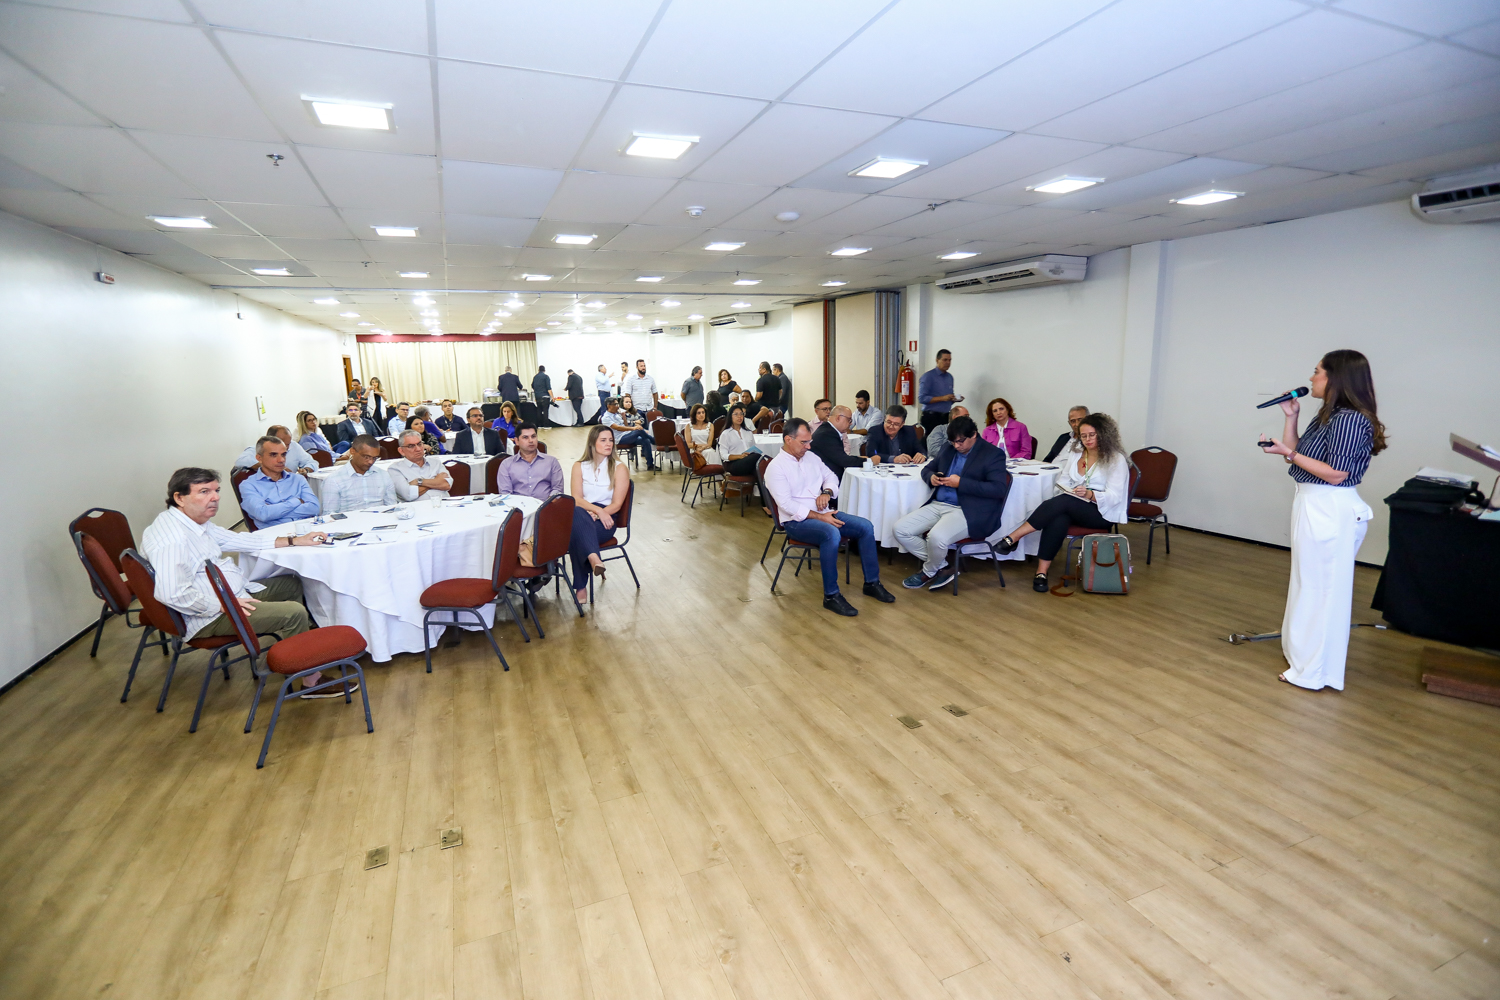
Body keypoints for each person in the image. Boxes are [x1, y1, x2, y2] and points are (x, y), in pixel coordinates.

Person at [141, 468, 337, 693]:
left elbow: (239, 540)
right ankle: (311, 682)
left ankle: (299, 650)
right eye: (204, 491)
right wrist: (223, 605)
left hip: (229, 596)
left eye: (216, 490)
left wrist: (295, 540)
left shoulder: (192, 523)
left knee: (291, 583)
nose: (215, 497)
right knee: (294, 613)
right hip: (206, 615)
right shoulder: (173, 539)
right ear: (179, 498)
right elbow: (172, 593)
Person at [1258, 349, 1383, 692]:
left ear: (1336, 378)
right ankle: (1302, 659)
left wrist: (1288, 453)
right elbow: (1298, 456)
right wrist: (1291, 418)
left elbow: (1336, 473)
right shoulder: (1329, 414)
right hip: (1312, 503)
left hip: (1331, 508)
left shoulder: (1350, 419)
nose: (1311, 378)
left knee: (1322, 591)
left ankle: (1314, 671)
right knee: (1307, 585)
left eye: (1317, 372)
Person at [763, 419, 894, 616]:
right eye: (804, 442)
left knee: (865, 527)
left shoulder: (811, 457)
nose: (808, 446)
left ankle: (872, 583)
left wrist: (826, 492)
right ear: (788, 440)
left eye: (809, 441)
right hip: (796, 521)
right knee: (831, 534)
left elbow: (831, 476)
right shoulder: (776, 467)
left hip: (824, 513)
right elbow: (786, 505)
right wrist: (819, 517)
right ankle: (831, 596)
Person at [995, 413, 1129, 592]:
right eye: (1083, 436)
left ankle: (1013, 537)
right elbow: (1063, 481)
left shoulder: (1115, 459)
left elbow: (1115, 496)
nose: (1087, 440)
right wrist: (1071, 490)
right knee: (1059, 517)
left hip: (1101, 512)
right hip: (1073, 504)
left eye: (1092, 435)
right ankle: (1041, 573)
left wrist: (1090, 494)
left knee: (1063, 503)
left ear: (1103, 434)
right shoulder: (1077, 453)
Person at [895, 416, 1011, 591]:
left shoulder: (992, 454)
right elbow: (928, 468)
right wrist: (931, 477)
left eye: (960, 441)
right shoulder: (947, 448)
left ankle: (928, 572)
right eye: (953, 442)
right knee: (900, 529)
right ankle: (943, 567)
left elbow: (998, 489)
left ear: (974, 434)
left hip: (969, 510)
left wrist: (961, 483)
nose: (956, 446)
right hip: (939, 504)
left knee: (936, 537)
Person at [569, 424, 630, 604]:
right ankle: (594, 557)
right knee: (576, 513)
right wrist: (596, 511)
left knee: (575, 534)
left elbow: (617, 504)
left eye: (610, 440)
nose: (608, 444)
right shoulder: (579, 466)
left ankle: (581, 587)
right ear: (592, 443)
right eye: (603, 440)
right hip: (584, 512)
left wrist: (601, 513)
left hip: (607, 519)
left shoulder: (619, 468)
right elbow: (576, 498)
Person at [239, 435, 320, 528]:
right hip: (275, 534)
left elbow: (314, 508)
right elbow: (263, 514)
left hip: (306, 530)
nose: (281, 460)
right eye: (273, 455)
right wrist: (297, 501)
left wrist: (274, 511)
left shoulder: (298, 479)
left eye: (283, 454)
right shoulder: (249, 485)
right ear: (259, 458)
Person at [321, 436, 398, 512]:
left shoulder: (384, 475)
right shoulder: (334, 480)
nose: (371, 461)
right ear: (352, 451)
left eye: (374, 458)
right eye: (366, 457)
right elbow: (330, 514)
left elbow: (392, 508)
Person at [495, 422, 565, 499]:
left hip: (546, 504)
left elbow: (558, 490)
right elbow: (505, 494)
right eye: (525, 437)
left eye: (533, 436)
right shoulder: (506, 464)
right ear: (517, 441)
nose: (531, 440)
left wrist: (548, 503)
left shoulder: (551, 462)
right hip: (518, 505)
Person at [388, 430, 453, 501]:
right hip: (416, 507)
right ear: (401, 451)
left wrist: (419, 482)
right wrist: (436, 481)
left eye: (419, 444)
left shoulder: (436, 463)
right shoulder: (395, 469)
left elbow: (446, 485)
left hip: (444, 504)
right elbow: (408, 494)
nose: (418, 449)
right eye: (411, 446)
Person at [233, 424, 318, 475]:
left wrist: (306, 470)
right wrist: (271, 467)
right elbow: (240, 461)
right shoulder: (257, 449)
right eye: (283, 443)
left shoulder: (294, 446)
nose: (286, 447)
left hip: (290, 486)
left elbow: (312, 462)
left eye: (288, 443)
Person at [600, 398, 657, 471]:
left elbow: (625, 426)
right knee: (638, 431)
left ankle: (650, 465)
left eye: (617, 404)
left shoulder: (617, 414)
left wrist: (623, 417)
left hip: (626, 435)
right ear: (609, 406)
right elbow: (618, 428)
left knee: (645, 440)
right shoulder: (606, 417)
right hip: (618, 439)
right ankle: (654, 441)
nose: (618, 406)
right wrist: (633, 428)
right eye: (615, 404)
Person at [811, 406, 865, 481]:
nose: (851, 423)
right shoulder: (826, 434)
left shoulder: (828, 429)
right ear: (838, 418)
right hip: (825, 480)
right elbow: (843, 460)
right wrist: (868, 461)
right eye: (849, 420)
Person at [918, 349, 960, 434]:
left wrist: (953, 399)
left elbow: (947, 398)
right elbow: (921, 398)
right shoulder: (928, 376)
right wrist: (943, 398)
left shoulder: (949, 377)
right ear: (937, 360)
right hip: (931, 417)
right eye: (945, 360)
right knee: (931, 441)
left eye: (949, 360)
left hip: (945, 416)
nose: (948, 363)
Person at [717, 404, 762, 480]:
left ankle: (761, 487)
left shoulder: (748, 432)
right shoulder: (726, 434)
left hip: (748, 462)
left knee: (759, 467)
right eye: (736, 414)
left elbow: (753, 448)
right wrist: (739, 456)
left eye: (741, 414)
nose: (739, 417)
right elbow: (723, 455)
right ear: (730, 416)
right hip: (733, 463)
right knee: (757, 458)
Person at [684, 404, 721, 468]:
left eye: (703, 412)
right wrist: (698, 447)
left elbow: (709, 443)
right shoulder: (688, 426)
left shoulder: (710, 425)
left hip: (707, 448)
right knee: (709, 453)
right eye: (699, 413)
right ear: (694, 414)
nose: (701, 415)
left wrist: (703, 448)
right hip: (694, 450)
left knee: (710, 452)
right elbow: (689, 444)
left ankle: (713, 470)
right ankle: (711, 470)